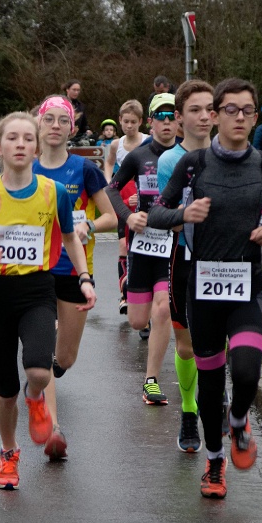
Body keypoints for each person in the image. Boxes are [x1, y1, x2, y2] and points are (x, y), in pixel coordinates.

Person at [149, 78, 262, 498]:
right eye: (231, 109)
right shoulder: (194, 165)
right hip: (202, 292)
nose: (239, 117)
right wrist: (184, 214)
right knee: (210, 386)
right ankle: (215, 461)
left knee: (247, 371)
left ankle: (237, 420)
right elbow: (156, 213)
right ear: (216, 115)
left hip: (247, 287)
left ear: (255, 118)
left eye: (247, 110)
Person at [0, 111, 96, 490]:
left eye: (28, 139)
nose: (20, 144)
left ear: (36, 148)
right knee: (4, 391)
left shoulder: (53, 192)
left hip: (37, 291)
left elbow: (69, 237)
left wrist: (84, 278)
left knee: (39, 371)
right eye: (12, 138)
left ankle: (37, 398)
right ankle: (8, 452)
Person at [33, 96, 117, 459]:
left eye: (62, 120)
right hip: (36, 271)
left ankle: (46, 374)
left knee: (65, 357)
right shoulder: (26, 167)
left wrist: (88, 226)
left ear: (72, 128)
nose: (55, 126)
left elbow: (112, 217)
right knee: (42, 345)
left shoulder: (84, 170)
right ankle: (53, 428)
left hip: (75, 271)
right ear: (39, 124)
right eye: (48, 119)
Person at [107, 92, 177, 404]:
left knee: (163, 308)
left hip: (171, 242)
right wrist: (128, 215)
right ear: (151, 121)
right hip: (142, 242)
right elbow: (111, 189)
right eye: (161, 116)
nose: (167, 122)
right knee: (137, 320)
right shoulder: (139, 155)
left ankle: (151, 380)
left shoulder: (187, 155)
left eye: (172, 116)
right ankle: (128, 282)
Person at [156, 80, 214, 455]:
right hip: (184, 257)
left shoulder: (235, 155)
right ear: (179, 118)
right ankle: (189, 410)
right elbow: (165, 217)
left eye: (210, 109)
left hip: (226, 260)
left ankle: (216, 393)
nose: (204, 117)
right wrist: (188, 215)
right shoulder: (169, 162)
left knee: (219, 337)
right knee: (188, 345)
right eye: (195, 110)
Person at [104, 100, 148, 312]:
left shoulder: (148, 142)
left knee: (142, 247)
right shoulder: (116, 144)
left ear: (140, 122)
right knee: (123, 245)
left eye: (133, 122)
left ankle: (144, 293)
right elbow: (109, 162)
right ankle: (124, 294)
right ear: (120, 120)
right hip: (123, 197)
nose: (129, 126)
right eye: (126, 121)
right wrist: (108, 182)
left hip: (144, 198)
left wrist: (142, 195)